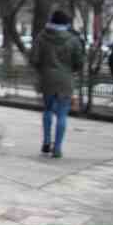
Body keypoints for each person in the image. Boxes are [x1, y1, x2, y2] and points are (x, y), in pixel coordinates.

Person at [29, 9, 84, 158]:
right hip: (65, 79)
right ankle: (57, 148)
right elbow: (79, 62)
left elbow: (34, 59)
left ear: (51, 21)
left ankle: (46, 143)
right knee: (62, 114)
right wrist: (70, 68)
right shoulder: (73, 39)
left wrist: (43, 69)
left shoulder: (41, 37)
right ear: (66, 23)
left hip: (47, 79)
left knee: (47, 110)